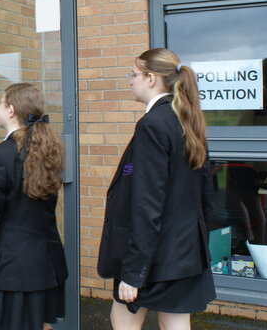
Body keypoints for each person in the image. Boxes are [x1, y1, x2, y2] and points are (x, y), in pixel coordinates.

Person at [97, 48, 215, 330]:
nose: (130, 80)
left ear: (151, 79)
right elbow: (206, 196)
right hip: (185, 253)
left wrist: (133, 272)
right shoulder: (188, 122)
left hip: (154, 257)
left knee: (123, 322)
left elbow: (147, 204)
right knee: (175, 325)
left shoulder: (152, 124)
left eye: (134, 74)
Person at [0, 83, 68, 330]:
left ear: (10, 110)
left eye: (0, 103)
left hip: (11, 268)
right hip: (46, 263)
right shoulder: (50, 151)